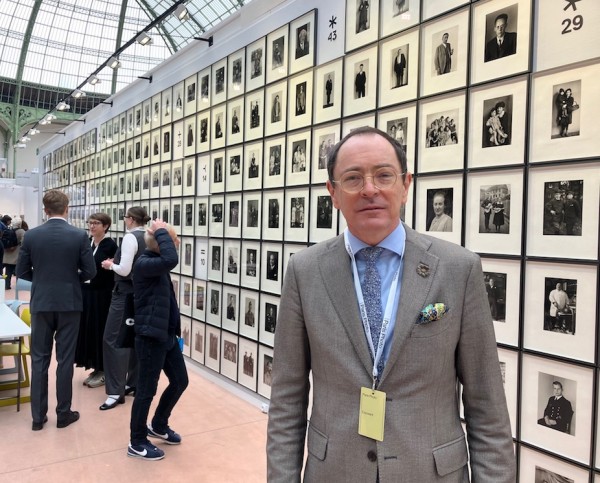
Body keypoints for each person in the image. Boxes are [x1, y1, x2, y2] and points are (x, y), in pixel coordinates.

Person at [266, 127, 515, 481]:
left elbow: (487, 406)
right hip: (335, 471)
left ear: (406, 185)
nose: (370, 189)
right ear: (333, 193)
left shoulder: (458, 269)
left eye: (384, 175)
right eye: (352, 178)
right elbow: (287, 398)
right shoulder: (305, 271)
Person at [16, 190, 96, 431]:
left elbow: (22, 271)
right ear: (66, 208)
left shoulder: (32, 236)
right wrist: (72, 279)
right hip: (70, 303)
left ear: (45, 210)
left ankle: (38, 418)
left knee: (39, 359)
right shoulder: (79, 236)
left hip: (41, 302)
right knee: (65, 360)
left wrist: (41, 279)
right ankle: (63, 413)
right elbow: (90, 272)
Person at [128, 220, 189, 460]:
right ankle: (137, 441)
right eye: (173, 240)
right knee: (145, 391)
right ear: (161, 244)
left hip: (165, 335)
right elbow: (170, 259)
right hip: (150, 337)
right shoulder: (144, 263)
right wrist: (162, 231)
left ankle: (159, 424)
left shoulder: (155, 264)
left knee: (180, 381)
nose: (177, 243)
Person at [99, 207, 150, 411]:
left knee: (112, 340)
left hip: (125, 294)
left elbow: (125, 270)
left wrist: (110, 265)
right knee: (135, 338)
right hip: (142, 294)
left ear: (130, 220)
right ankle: (133, 383)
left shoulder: (130, 238)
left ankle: (115, 391)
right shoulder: (149, 236)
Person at [75, 213, 118, 389]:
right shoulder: (88, 243)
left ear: (106, 226)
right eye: (91, 223)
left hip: (101, 296)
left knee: (100, 330)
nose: (92, 226)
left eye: (97, 223)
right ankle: (96, 367)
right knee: (89, 330)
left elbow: (110, 270)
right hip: (87, 294)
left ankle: (104, 370)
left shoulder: (110, 245)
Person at [2, 216, 25, 289]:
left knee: (8, 272)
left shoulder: (9, 230)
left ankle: (6, 285)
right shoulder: (21, 231)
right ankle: (20, 286)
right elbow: (24, 243)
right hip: (16, 255)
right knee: (19, 271)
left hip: (7, 255)